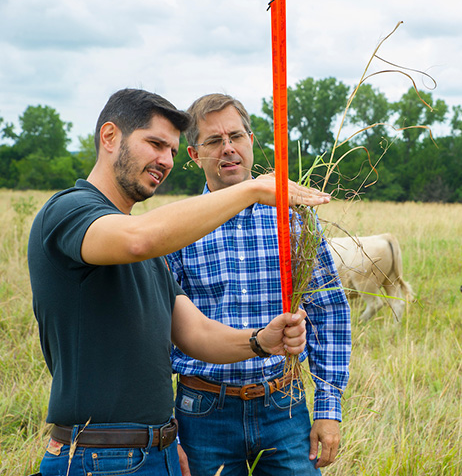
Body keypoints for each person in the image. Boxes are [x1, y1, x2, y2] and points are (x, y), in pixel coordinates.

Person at [28, 88, 331, 476]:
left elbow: (196, 333)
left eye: (171, 149)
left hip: (158, 449)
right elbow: (139, 240)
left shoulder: (147, 247)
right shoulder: (69, 210)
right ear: (109, 137)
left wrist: (259, 341)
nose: (165, 160)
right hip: (98, 454)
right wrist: (252, 189)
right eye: (155, 143)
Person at [167, 93, 351, 476]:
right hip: (202, 411)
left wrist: (328, 409)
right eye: (214, 141)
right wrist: (172, 435)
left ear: (252, 141)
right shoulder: (177, 228)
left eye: (236, 136)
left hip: (282, 402)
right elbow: (157, 333)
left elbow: (328, 308)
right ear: (193, 155)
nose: (228, 149)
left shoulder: (294, 218)